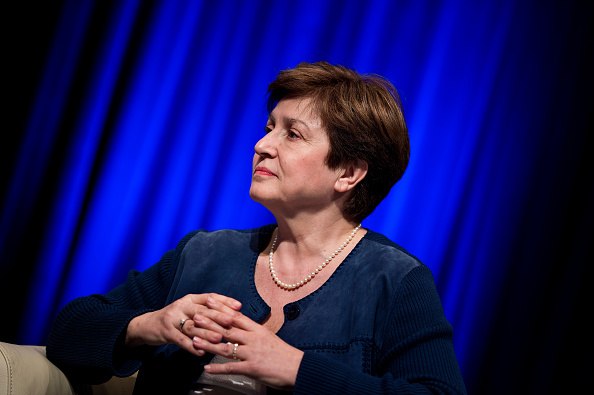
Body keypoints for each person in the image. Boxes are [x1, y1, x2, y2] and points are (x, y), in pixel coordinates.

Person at [47, 61, 467, 394]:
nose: (262, 145)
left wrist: (296, 370)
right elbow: (69, 332)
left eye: (293, 135)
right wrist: (150, 324)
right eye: (269, 129)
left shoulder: (394, 281)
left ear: (348, 172)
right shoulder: (204, 253)